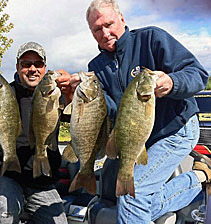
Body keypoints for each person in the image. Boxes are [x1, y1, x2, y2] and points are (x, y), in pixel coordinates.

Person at [68, 0, 211, 223]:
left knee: (133, 197)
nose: (105, 33)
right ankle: (200, 177)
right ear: (91, 32)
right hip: (138, 138)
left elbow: (197, 74)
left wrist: (172, 82)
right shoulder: (96, 67)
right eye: (97, 29)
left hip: (177, 129)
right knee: (121, 198)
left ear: (122, 19)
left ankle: (197, 178)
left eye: (109, 24)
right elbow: (112, 111)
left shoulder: (151, 38)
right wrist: (79, 99)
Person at [0, 41, 71, 224]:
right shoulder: (4, 92)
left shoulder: (54, 94)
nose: (32, 69)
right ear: (17, 67)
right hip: (6, 176)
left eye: (38, 64)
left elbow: (78, 115)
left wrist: (71, 91)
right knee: (5, 215)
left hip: (42, 182)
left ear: (45, 68)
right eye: (26, 64)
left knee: (59, 221)